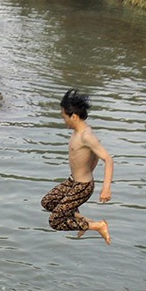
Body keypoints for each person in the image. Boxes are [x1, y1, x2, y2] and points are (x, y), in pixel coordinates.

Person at [41, 89, 113, 244]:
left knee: (55, 221)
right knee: (48, 202)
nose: (63, 120)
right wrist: (89, 169)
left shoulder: (86, 136)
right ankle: (82, 221)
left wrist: (106, 188)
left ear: (73, 116)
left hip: (82, 187)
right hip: (73, 182)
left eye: (64, 117)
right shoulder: (78, 132)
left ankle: (97, 226)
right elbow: (93, 157)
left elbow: (107, 159)